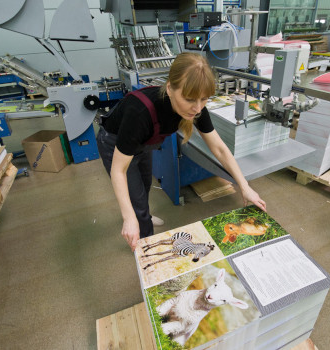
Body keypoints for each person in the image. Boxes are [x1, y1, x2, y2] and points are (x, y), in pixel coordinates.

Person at [96, 52, 266, 251]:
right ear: (170, 88)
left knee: (143, 187)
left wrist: (244, 185)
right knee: (136, 204)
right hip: (114, 142)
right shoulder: (140, 112)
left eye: (204, 99)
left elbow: (219, 149)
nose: (197, 108)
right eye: (189, 99)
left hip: (142, 144)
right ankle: (145, 243)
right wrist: (128, 218)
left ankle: (144, 216)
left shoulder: (196, 108)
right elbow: (119, 170)